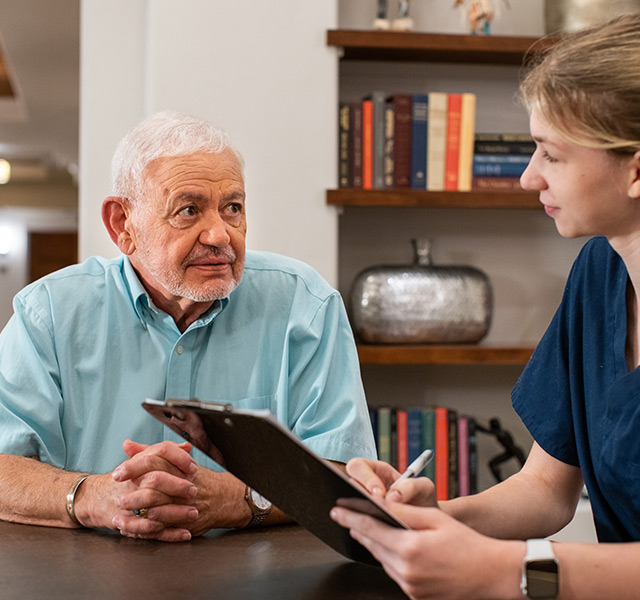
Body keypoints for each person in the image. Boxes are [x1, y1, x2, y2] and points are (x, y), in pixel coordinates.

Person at [331, 14, 640, 600]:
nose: (527, 178)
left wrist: (508, 573)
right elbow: (546, 488)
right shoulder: (599, 274)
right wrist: (437, 518)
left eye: (551, 155)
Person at [0, 110, 376, 542]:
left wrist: (239, 501)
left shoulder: (304, 305)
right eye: (189, 210)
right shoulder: (49, 311)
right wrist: (93, 497)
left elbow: (345, 475)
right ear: (123, 225)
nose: (219, 235)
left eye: (232, 208)